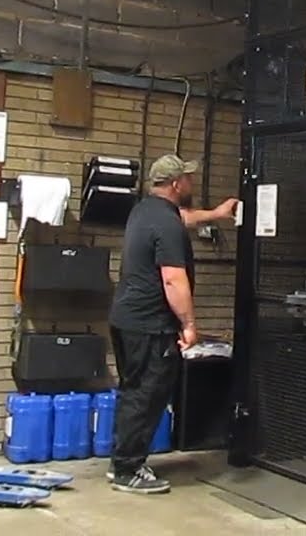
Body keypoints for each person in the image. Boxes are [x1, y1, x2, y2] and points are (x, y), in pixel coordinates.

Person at [107, 154, 238, 494]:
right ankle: (128, 470)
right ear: (177, 183)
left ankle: (122, 461)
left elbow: (184, 217)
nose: (192, 184)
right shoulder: (165, 223)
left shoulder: (145, 211)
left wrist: (218, 214)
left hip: (125, 320)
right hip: (151, 325)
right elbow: (173, 280)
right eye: (189, 179)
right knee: (147, 395)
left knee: (133, 390)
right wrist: (190, 325)